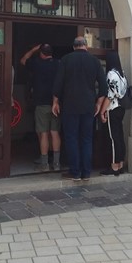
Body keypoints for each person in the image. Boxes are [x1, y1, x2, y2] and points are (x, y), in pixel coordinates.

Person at [52, 36, 108, 181]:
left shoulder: (65, 60)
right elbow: (103, 86)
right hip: (88, 105)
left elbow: (58, 83)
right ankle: (87, 172)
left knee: (71, 138)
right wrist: (98, 104)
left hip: (70, 105)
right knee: (87, 139)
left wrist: (55, 102)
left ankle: (75, 172)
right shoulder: (94, 61)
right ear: (86, 46)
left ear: (74, 46)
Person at [20, 43, 61, 172]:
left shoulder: (36, 64)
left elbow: (23, 60)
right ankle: (57, 163)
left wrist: (33, 49)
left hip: (41, 104)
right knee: (55, 133)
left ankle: (44, 163)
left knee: (43, 133)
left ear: (41, 53)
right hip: (56, 103)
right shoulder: (59, 64)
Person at [99, 51, 128, 176]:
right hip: (121, 107)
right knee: (119, 136)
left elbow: (110, 96)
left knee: (112, 138)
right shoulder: (122, 74)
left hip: (113, 108)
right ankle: (120, 163)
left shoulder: (111, 74)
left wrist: (102, 111)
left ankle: (114, 166)